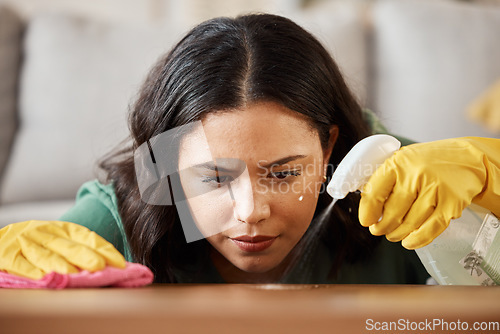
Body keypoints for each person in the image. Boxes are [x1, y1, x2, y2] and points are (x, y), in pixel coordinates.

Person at [1, 14, 499, 284]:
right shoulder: (131, 208)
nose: (251, 213)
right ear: (171, 164)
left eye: (283, 174)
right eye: (214, 177)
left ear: (329, 150)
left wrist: (490, 174)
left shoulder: (392, 179)